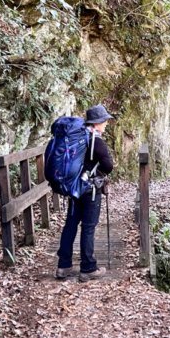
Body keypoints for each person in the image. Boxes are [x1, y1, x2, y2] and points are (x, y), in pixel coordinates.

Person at [55, 104, 114, 282]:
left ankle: (63, 266)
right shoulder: (97, 142)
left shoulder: (77, 137)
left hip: (74, 187)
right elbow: (108, 167)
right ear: (97, 123)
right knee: (88, 227)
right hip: (90, 190)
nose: (106, 124)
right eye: (104, 121)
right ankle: (88, 268)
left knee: (71, 224)